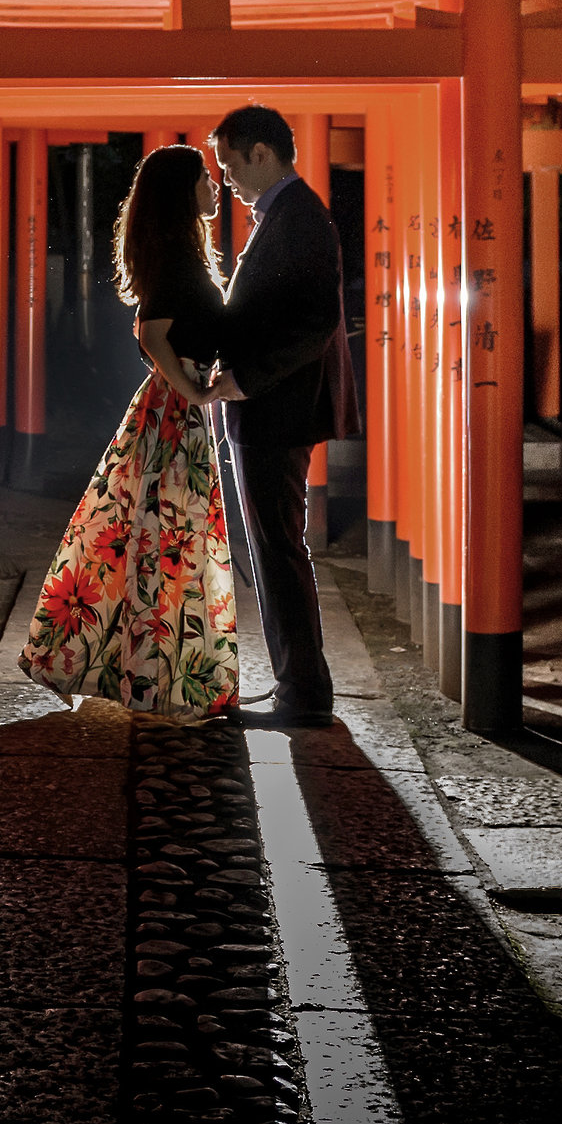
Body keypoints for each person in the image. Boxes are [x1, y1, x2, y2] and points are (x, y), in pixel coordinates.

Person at [17, 144, 240, 719]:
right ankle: (156, 675)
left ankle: (146, 671)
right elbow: (151, 330)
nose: (214, 189)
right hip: (173, 414)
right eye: (205, 180)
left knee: (150, 538)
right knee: (167, 541)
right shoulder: (180, 260)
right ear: (181, 191)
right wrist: (192, 389)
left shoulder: (181, 252)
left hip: (170, 411)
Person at [206, 105, 360, 727]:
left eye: (230, 165)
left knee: (278, 548)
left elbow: (315, 321)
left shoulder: (299, 217)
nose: (227, 182)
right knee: (274, 547)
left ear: (262, 153)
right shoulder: (289, 216)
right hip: (274, 407)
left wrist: (246, 378)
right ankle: (297, 682)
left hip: (278, 408)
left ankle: (304, 690)